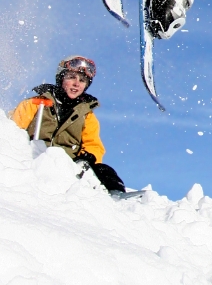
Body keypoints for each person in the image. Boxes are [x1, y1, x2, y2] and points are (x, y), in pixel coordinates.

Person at [9, 55, 125, 193]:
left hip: (68, 166)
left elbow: (93, 145)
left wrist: (88, 157)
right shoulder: (34, 104)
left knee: (105, 171)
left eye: (82, 80)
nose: (77, 83)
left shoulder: (87, 116)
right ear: (61, 78)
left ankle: (118, 199)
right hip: (34, 158)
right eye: (71, 77)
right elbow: (12, 132)